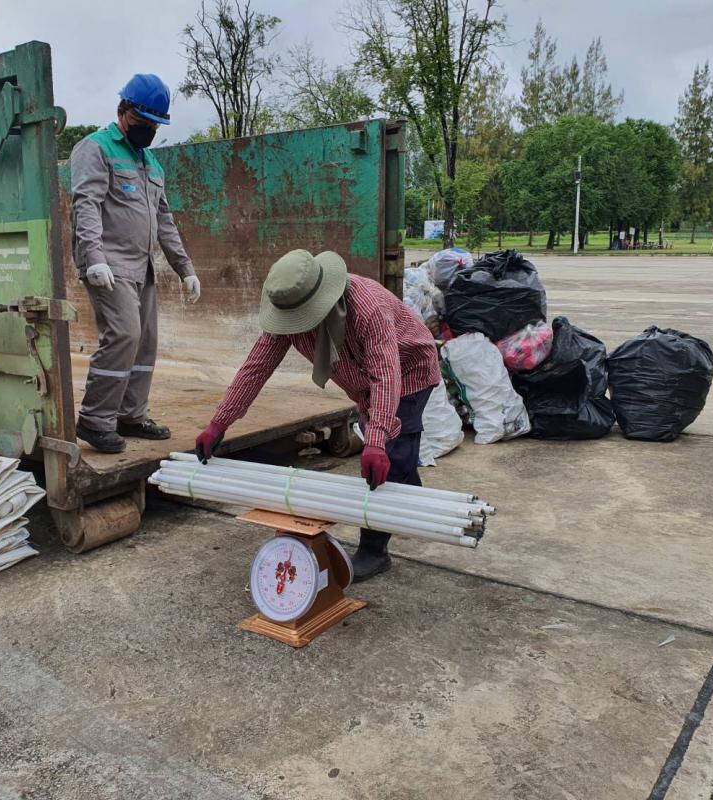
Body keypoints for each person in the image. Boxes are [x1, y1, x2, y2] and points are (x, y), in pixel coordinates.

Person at [194, 249, 441, 582]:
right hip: (366, 383)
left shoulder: (368, 309)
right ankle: (408, 496)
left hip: (408, 370)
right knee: (395, 463)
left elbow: (386, 373)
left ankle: (374, 551)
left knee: (389, 455)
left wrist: (377, 439)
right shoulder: (289, 312)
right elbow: (256, 369)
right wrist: (218, 423)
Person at [70, 74, 200, 453]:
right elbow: (87, 204)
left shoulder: (151, 163)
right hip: (108, 265)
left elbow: (164, 221)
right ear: (123, 112)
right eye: (143, 123)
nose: (149, 131)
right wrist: (93, 258)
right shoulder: (94, 148)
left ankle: (131, 414)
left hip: (140, 267)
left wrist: (185, 268)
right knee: (124, 335)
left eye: (155, 125)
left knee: (146, 342)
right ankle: (95, 420)